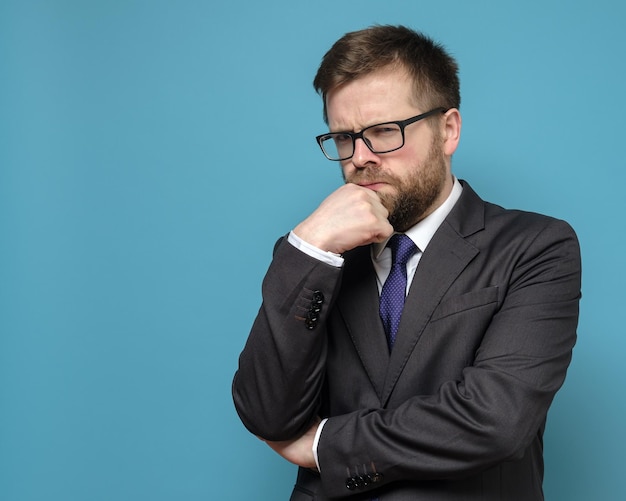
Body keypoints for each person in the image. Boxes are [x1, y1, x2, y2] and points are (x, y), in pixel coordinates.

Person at [232, 25, 581, 500]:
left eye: (383, 132)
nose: (359, 158)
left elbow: (495, 420)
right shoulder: (314, 254)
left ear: (448, 130)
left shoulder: (536, 246)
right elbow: (267, 415)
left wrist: (327, 445)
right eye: (343, 138)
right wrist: (309, 247)